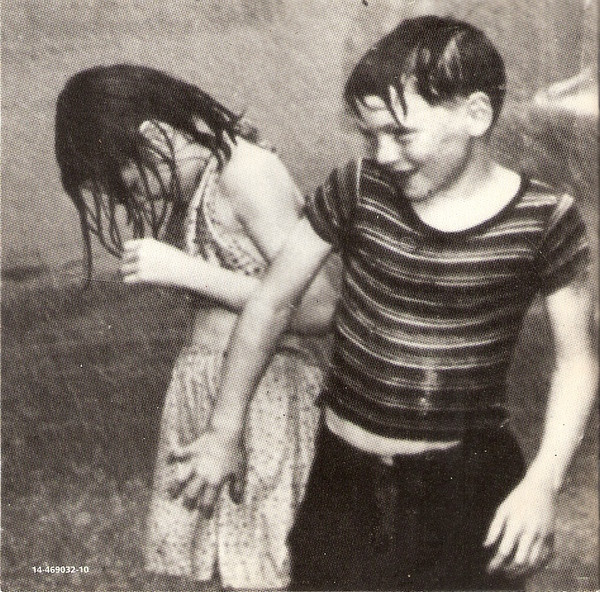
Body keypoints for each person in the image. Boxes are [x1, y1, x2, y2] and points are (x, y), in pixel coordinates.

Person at [175, 16, 598, 591]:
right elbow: (271, 302)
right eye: (370, 136)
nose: (384, 154)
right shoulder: (357, 187)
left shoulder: (545, 219)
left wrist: (543, 483)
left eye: (401, 134)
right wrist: (224, 431)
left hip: (467, 485)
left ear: (476, 115)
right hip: (344, 479)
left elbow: (575, 361)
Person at [54, 64, 339, 590]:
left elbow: (319, 308)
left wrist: (189, 272)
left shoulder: (246, 171)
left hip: (265, 399)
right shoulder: (198, 186)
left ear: (152, 135)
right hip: (206, 395)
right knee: (219, 570)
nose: (136, 201)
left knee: (267, 569)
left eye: (130, 183)